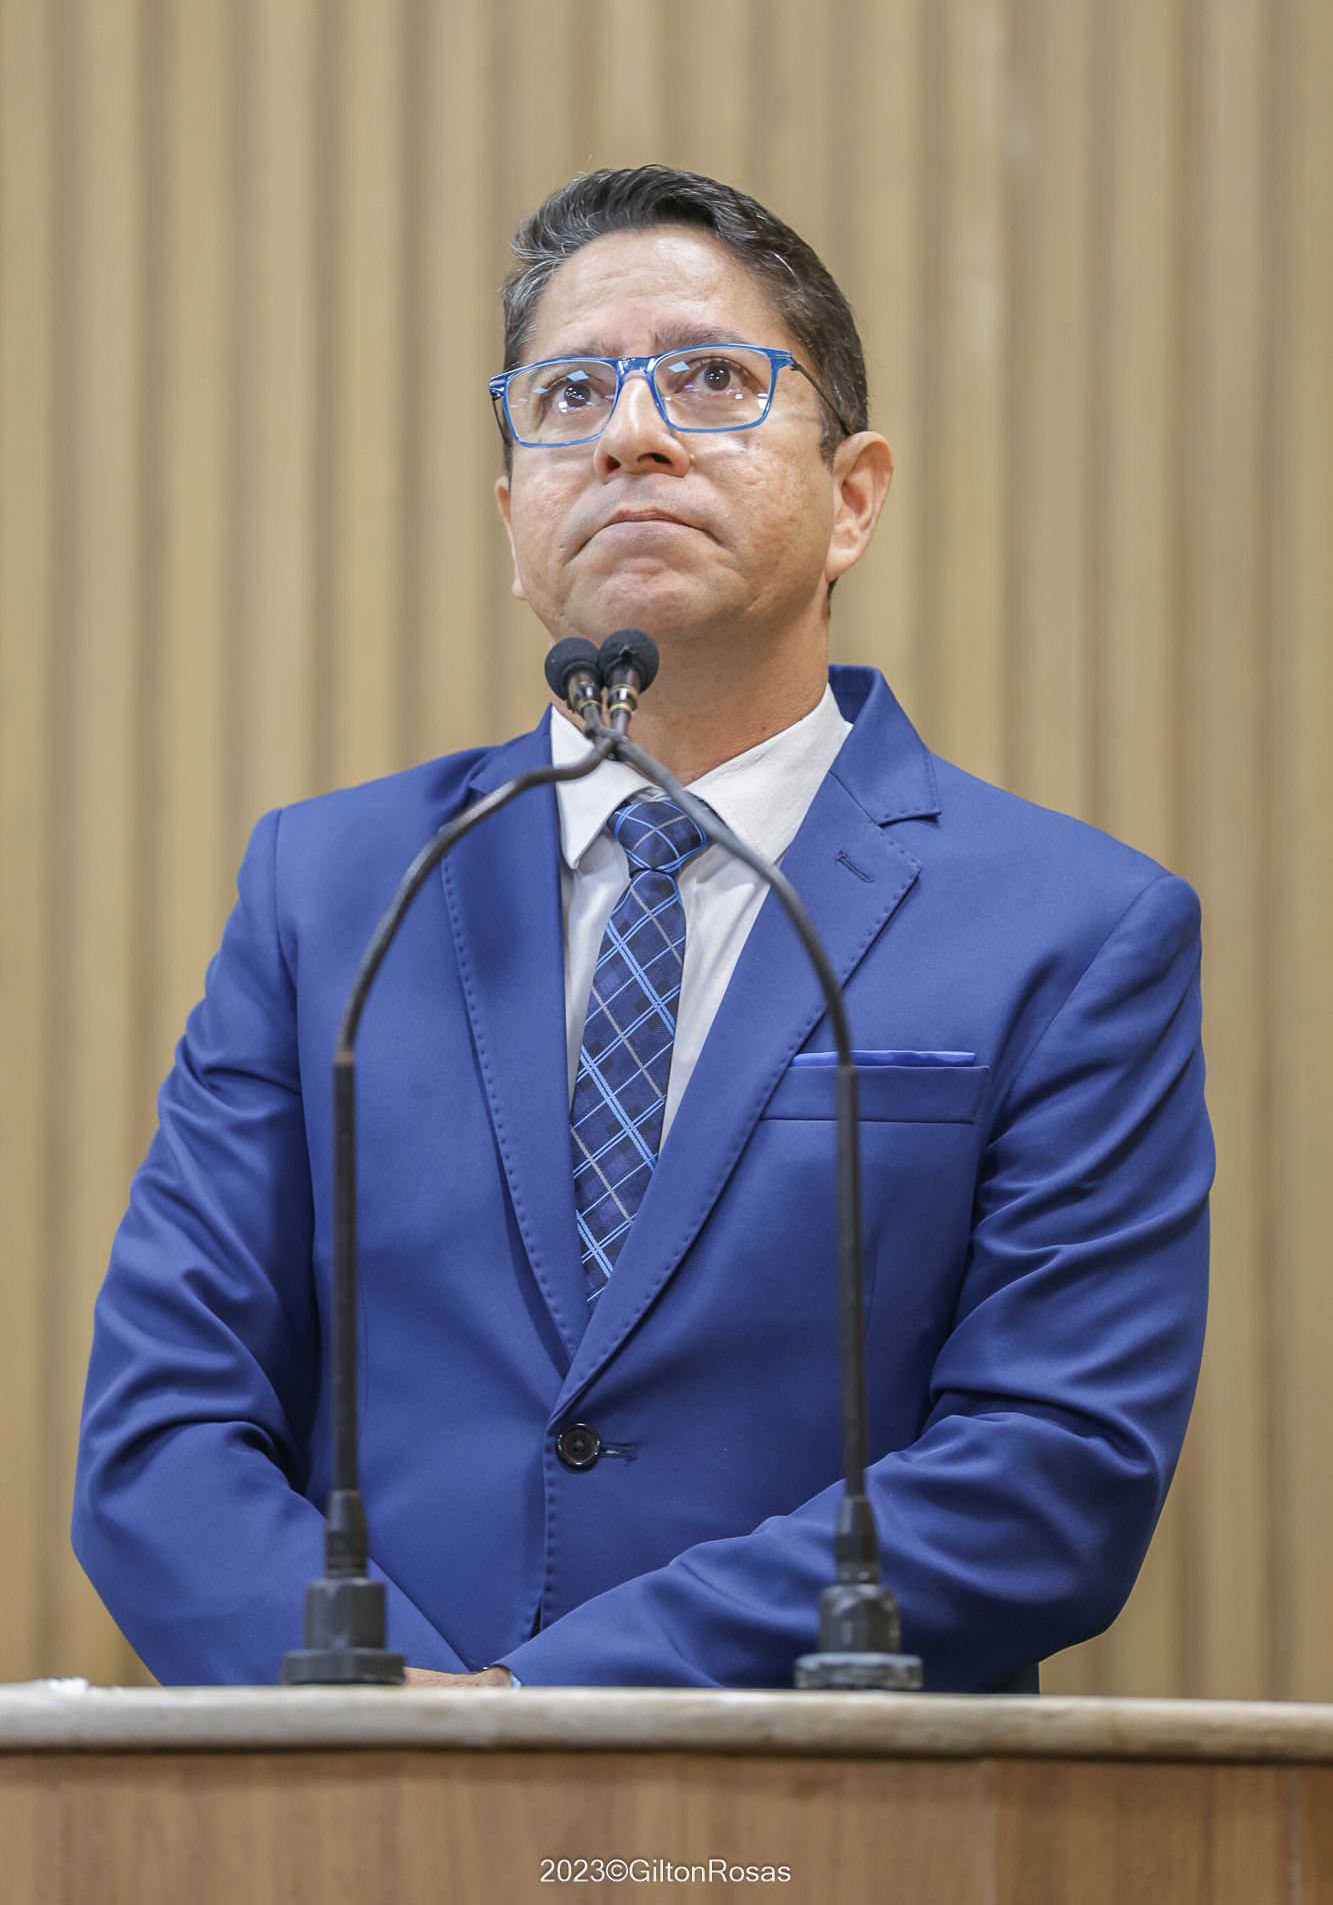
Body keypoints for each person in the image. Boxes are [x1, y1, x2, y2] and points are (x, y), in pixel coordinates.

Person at [73, 167, 1212, 1691]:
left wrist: (540, 1711)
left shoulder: (1073, 929)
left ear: (852, 497)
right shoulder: (330, 890)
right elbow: (162, 1430)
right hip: (358, 1785)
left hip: (819, 1796)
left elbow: (1052, 1464)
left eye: (710, 381)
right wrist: (384, 1724)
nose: (630, 436)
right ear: (513, 520)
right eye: (567, 397)